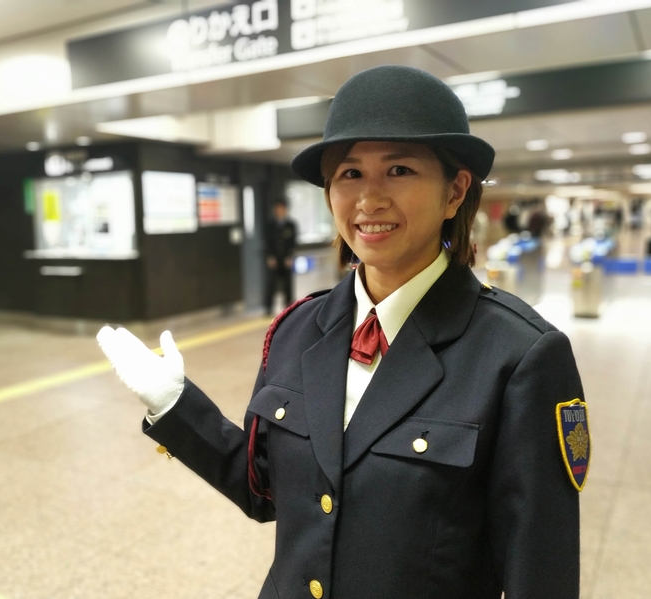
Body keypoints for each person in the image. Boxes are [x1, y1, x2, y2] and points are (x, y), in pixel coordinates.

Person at [96, 65, 589, 599]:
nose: (368, 200)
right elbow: (266, 493)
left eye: (399, 170)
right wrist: (176, 408)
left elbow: (539, 569)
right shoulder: (298, 330)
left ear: (455, 192)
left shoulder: (519, 356)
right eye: (349, 173)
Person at [264, 198, 297, 314]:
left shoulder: (291, 225)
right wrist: (269, 256)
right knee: (271, 283)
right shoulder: (270, 225)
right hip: (274, 258)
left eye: (282, 208)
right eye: (278, 208)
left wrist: (290, 256)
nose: (280, 210)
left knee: (288, 284)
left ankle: (289, 307)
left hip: (286, 258)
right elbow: (266, 242)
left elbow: (293, 242)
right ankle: (268, 307)